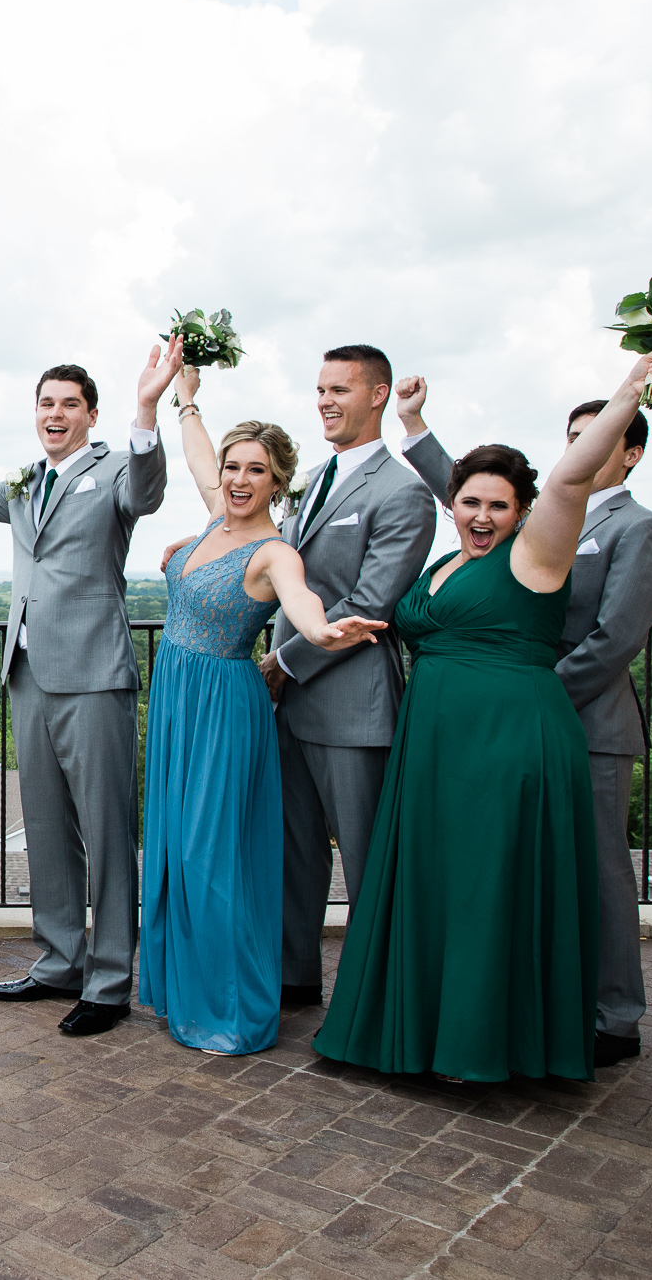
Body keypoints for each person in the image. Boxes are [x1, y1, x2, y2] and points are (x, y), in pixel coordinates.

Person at [314, 352, 652, 1083]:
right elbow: (463, 483)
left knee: (490, 887)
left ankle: (481, 1044)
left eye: (499, 506)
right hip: (438, 743)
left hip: (504, 739)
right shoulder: (456, 553)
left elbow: (571, 477)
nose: (482, 515)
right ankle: (417, 1031)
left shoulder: (542, 549)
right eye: (470, 503)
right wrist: (415, 425)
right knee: (444, 884)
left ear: (526, 512)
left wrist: (630, 387)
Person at [0, 347, 173, 1037]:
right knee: (48, 830)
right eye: (46, 402)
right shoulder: (27, 483)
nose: (56, 413)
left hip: (94, 675)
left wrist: (148, 408)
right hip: (27, 675)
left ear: (92, 413)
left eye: (69, 403)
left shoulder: (114, 471)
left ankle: (111, 980)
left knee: (107, 832)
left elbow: (146, 492)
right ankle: (60, 961)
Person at [142, 365, 387, 1056]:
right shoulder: (215, 516)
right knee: (175, 849)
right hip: (177, 702)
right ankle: (186, 983)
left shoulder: (273, 549)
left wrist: (321, 631)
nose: (239, 478)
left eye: (256, 469)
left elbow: (301, 600)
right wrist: (183, 393)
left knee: (211, 854)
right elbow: (194, 447)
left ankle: (230, 1003)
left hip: (222, 708)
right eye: (232, 466)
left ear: (279, 481)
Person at [261, 346, 437, 1007]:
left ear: (378, 394)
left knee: (367, 861)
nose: (326, 401)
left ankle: (376, 1000)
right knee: (295, 853)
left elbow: (371, 601)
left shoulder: (404, 492)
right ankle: (294, 977)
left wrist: (282, 663)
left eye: (340, 389)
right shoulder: (311, 479)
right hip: (290, 702)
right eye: (320, 389)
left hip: (352, 702)